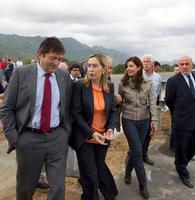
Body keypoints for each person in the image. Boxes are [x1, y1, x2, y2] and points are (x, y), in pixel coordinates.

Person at [0, 37, 72, 200]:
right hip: (29, 139)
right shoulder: (21, 73)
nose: (56, 63)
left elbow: (66, 109)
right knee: (26, 188)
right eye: (53, 58)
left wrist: (65, 133)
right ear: (40, 54)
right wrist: (15, 139)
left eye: (59, 59)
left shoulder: (63, 77)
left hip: (57, 139)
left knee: (58, 187)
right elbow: (7, 108)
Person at [69, 53, 118, 200]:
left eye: (95, 66)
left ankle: (106, 193)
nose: (90, 69)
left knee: (97, 171)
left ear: (104, 69)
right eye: (88, 66)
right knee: (91, 178)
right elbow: (76, 114)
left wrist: (110, 128)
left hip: (103, 139)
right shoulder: (79, 86)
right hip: (85, 140)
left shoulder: (109, 86)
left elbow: (112, 111)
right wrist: (91, 133)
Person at [116, 56, 158, 199]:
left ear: (139, 67)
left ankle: (128, 171)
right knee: (138, 152)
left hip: (144, 120)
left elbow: (152, 102)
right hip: (128, 120)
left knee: (135, 150)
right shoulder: (123, 83)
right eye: (127, 66)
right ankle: (142, 183)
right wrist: (116, 121)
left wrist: (154, 121)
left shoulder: (148, 83)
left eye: (132, 66)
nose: (128, 68)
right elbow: (119, 104)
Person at [165, 56, 195, 189]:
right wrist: (179, 114)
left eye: (187, 64)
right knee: (181, 149)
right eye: (182, 64)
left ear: (192, 65)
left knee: (194, 146)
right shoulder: (173, 81)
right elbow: (169, 101)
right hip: (181, 121)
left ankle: (181, 163)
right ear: (178, 66)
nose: (185, 66)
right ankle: (182, 171)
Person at [142, 54, 161, 165]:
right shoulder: (138, 75)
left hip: (151, 109)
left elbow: (157, 92)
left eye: (147, 61)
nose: (145, 63)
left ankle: (145, 155)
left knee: (149, 133)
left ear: (153, 64)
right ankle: (133, 157)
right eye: (143, 61)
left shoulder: (157, 77)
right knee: (139, 134)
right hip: (140, 109)